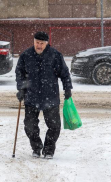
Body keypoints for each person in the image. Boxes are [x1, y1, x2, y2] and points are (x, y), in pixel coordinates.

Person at [15, 31, 73, 159]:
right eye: (37, 43)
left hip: (50, 97)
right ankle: (36, 147)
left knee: (54, 126)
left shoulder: (55, 55)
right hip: (31, 96)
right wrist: (21, 89)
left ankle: (48, 150)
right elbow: (20, 73)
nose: (39, 46)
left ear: (47, 43)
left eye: (41, 43)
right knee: (30, 127)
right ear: (33, 42)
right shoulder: (26, 55)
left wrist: (67, 88)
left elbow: (64, 73)